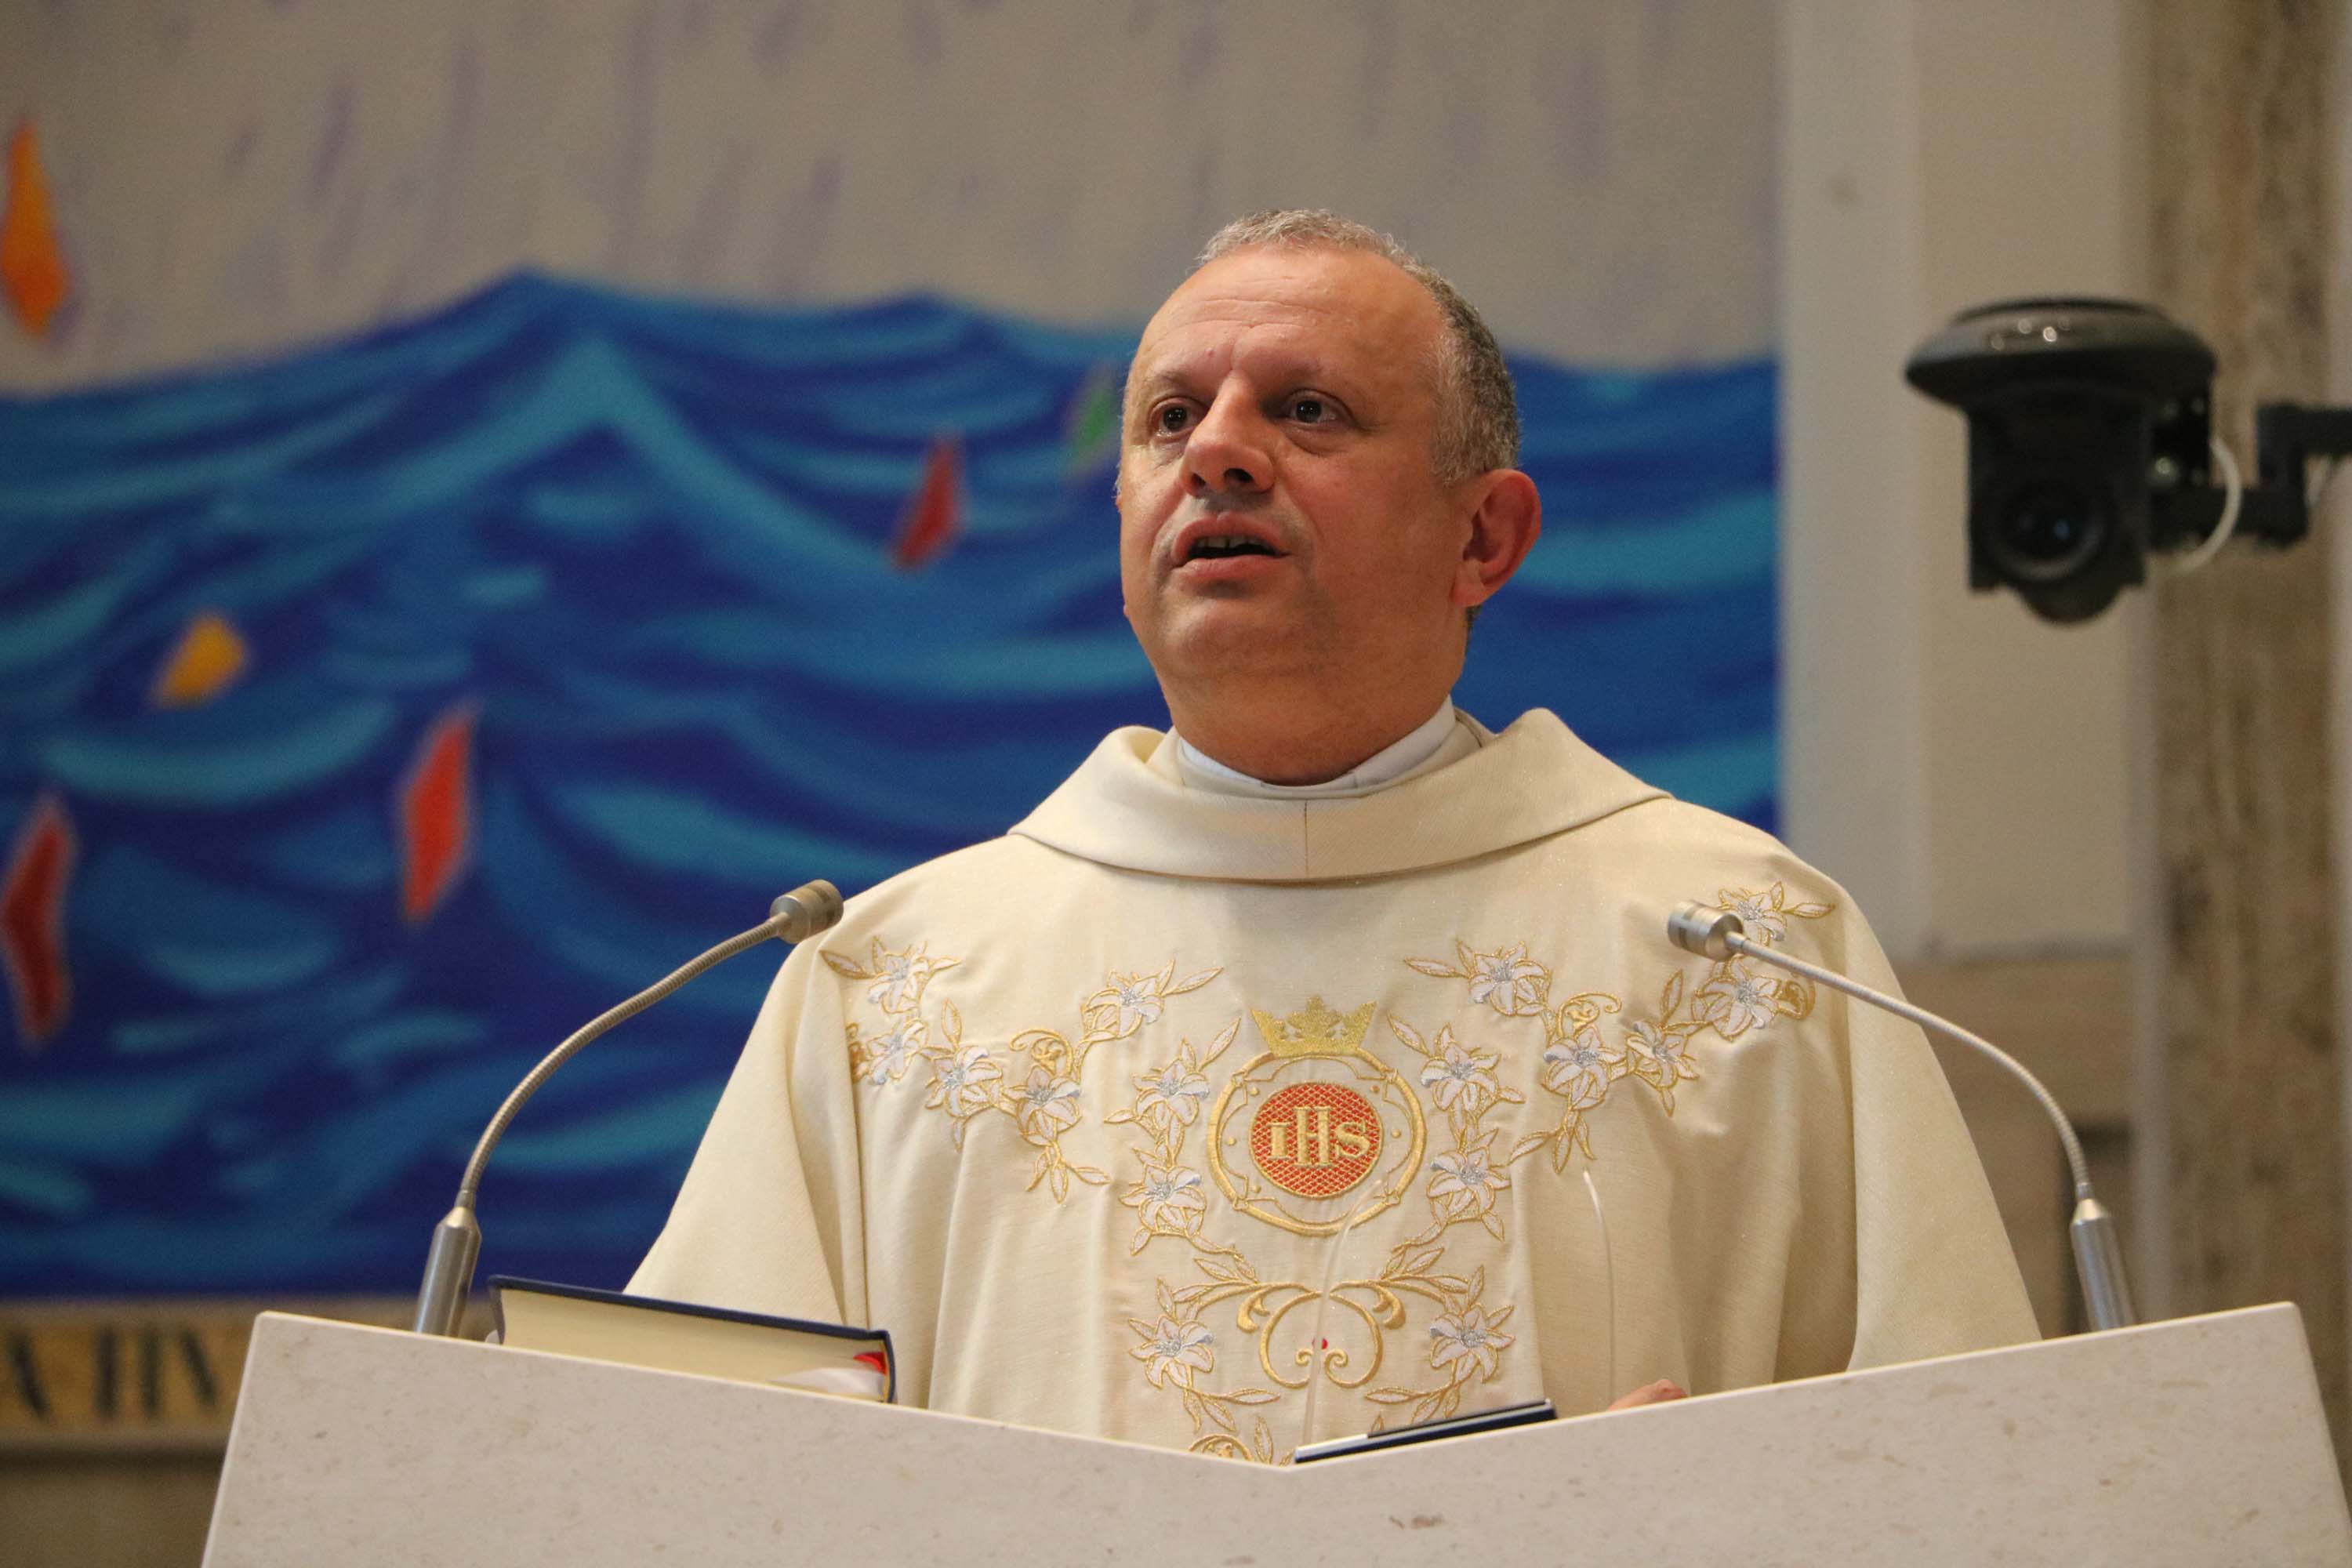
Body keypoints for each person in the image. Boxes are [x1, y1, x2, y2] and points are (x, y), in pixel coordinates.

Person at [630, 209, 2037, 1462]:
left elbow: (1952, 1473)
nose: (1218, 452)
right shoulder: (892, 986)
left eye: (1307, 412)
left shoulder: (1742, 950)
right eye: (1170, 420)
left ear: (1484, 539)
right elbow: (695, 1485)